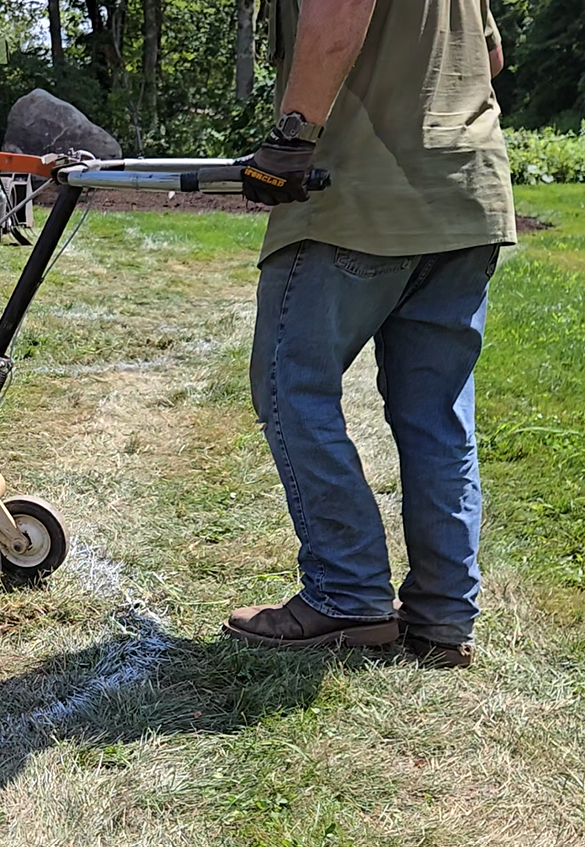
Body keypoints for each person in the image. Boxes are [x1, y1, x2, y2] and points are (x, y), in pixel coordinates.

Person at [221, 0, 516, 668]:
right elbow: (489, 58)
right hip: (466, 191)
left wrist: (293, 137)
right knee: (437, 414)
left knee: (289, 382)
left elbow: (341, 8)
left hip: (358, 193)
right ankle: (442, 618)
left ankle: (348, 593)